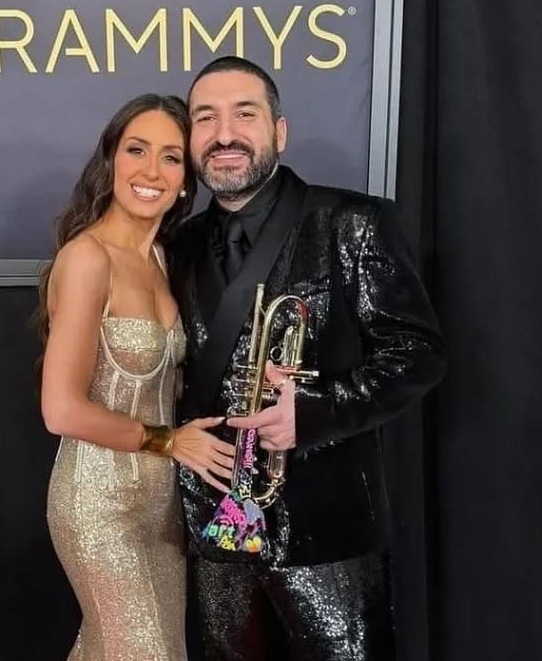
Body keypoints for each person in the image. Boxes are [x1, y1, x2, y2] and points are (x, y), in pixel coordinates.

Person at [166, 56, 447, 660]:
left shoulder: (352, 223)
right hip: (214, 525)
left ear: (280, 131)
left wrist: (316, 413)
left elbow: (418, 353)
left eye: (245, 114)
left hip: (328, 526)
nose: (224, 135)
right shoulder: (176, 245)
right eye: (205, 119)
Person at [38, 93, 236, 661]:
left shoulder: (164, 261)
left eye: (171, 157)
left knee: (128, 649)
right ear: (111, 161)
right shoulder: (86, 259)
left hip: (161, 505)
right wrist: (170, 441)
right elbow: (61, 410)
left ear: (186, 180)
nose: (151, 171)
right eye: (137, 150)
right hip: (95, 503)